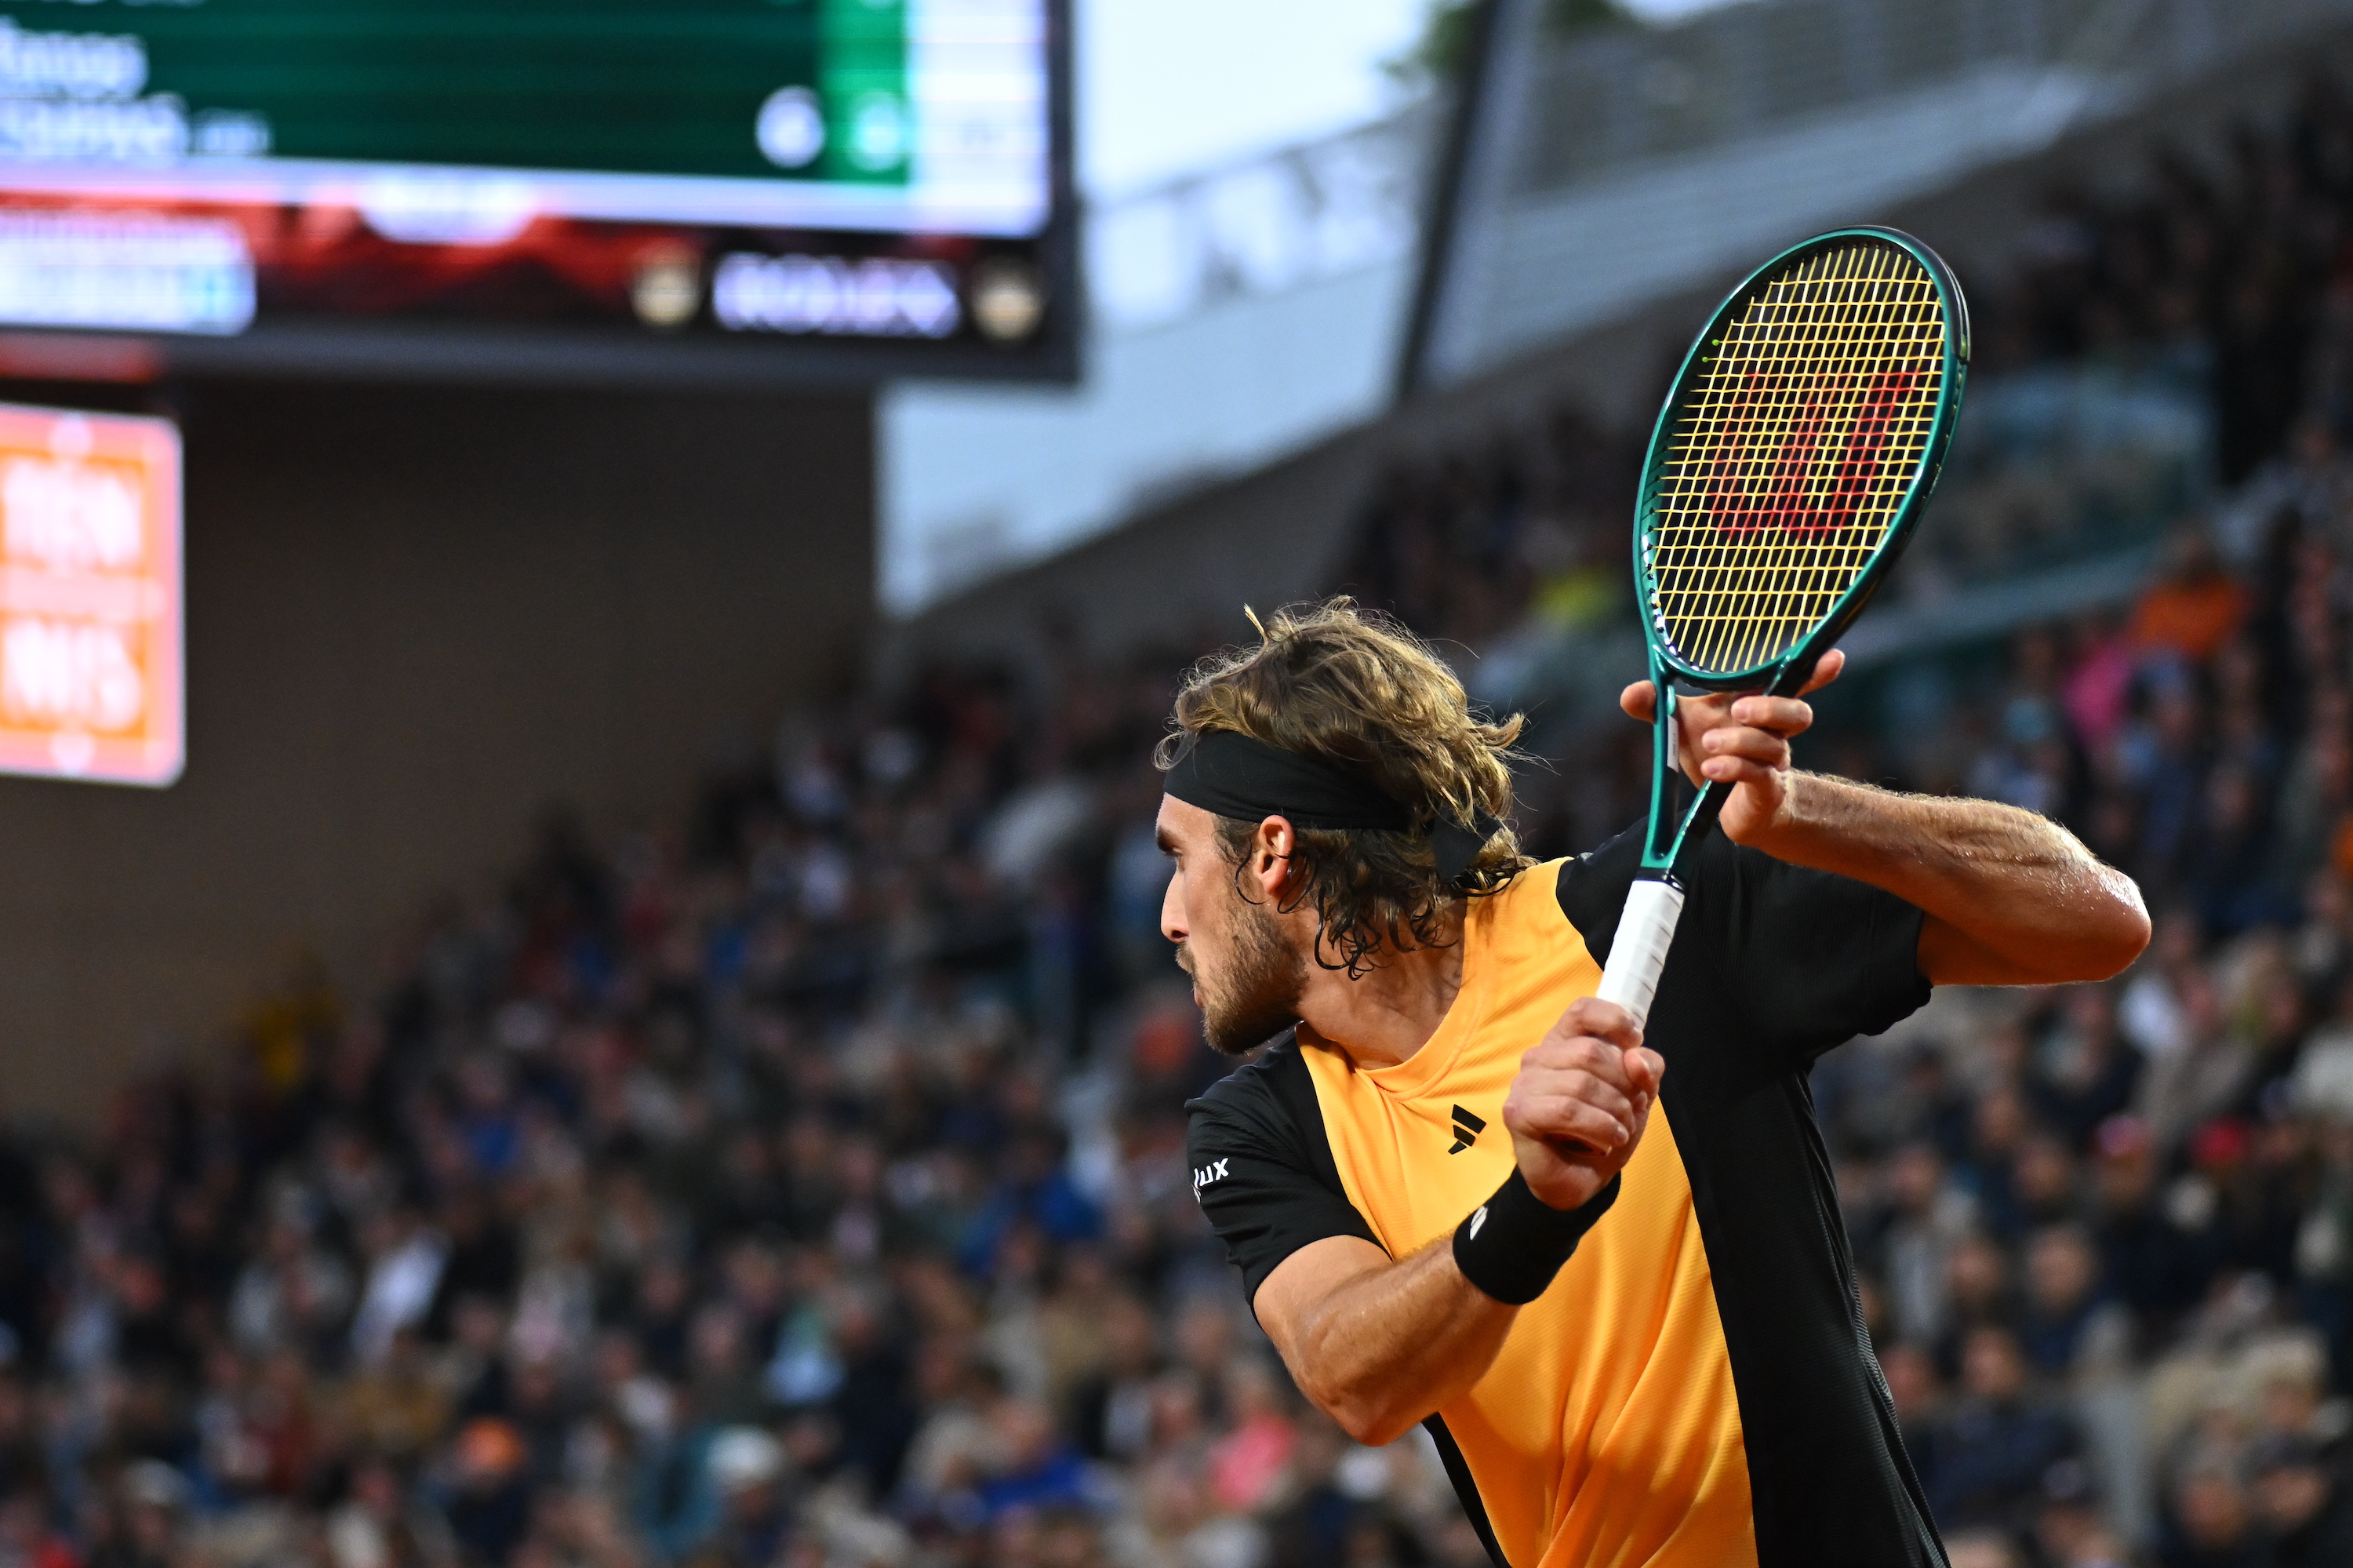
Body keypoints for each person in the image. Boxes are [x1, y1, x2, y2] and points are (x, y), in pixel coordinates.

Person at [1170, 602, 2149, 1568]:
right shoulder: (1257, 1125)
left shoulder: (1639, 912)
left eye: (1180, 860)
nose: (1171, 916)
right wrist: (1530, 1210)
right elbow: (1354, 1379)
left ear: (1272, 852)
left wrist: (1806, 813)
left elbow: (2100, 919)